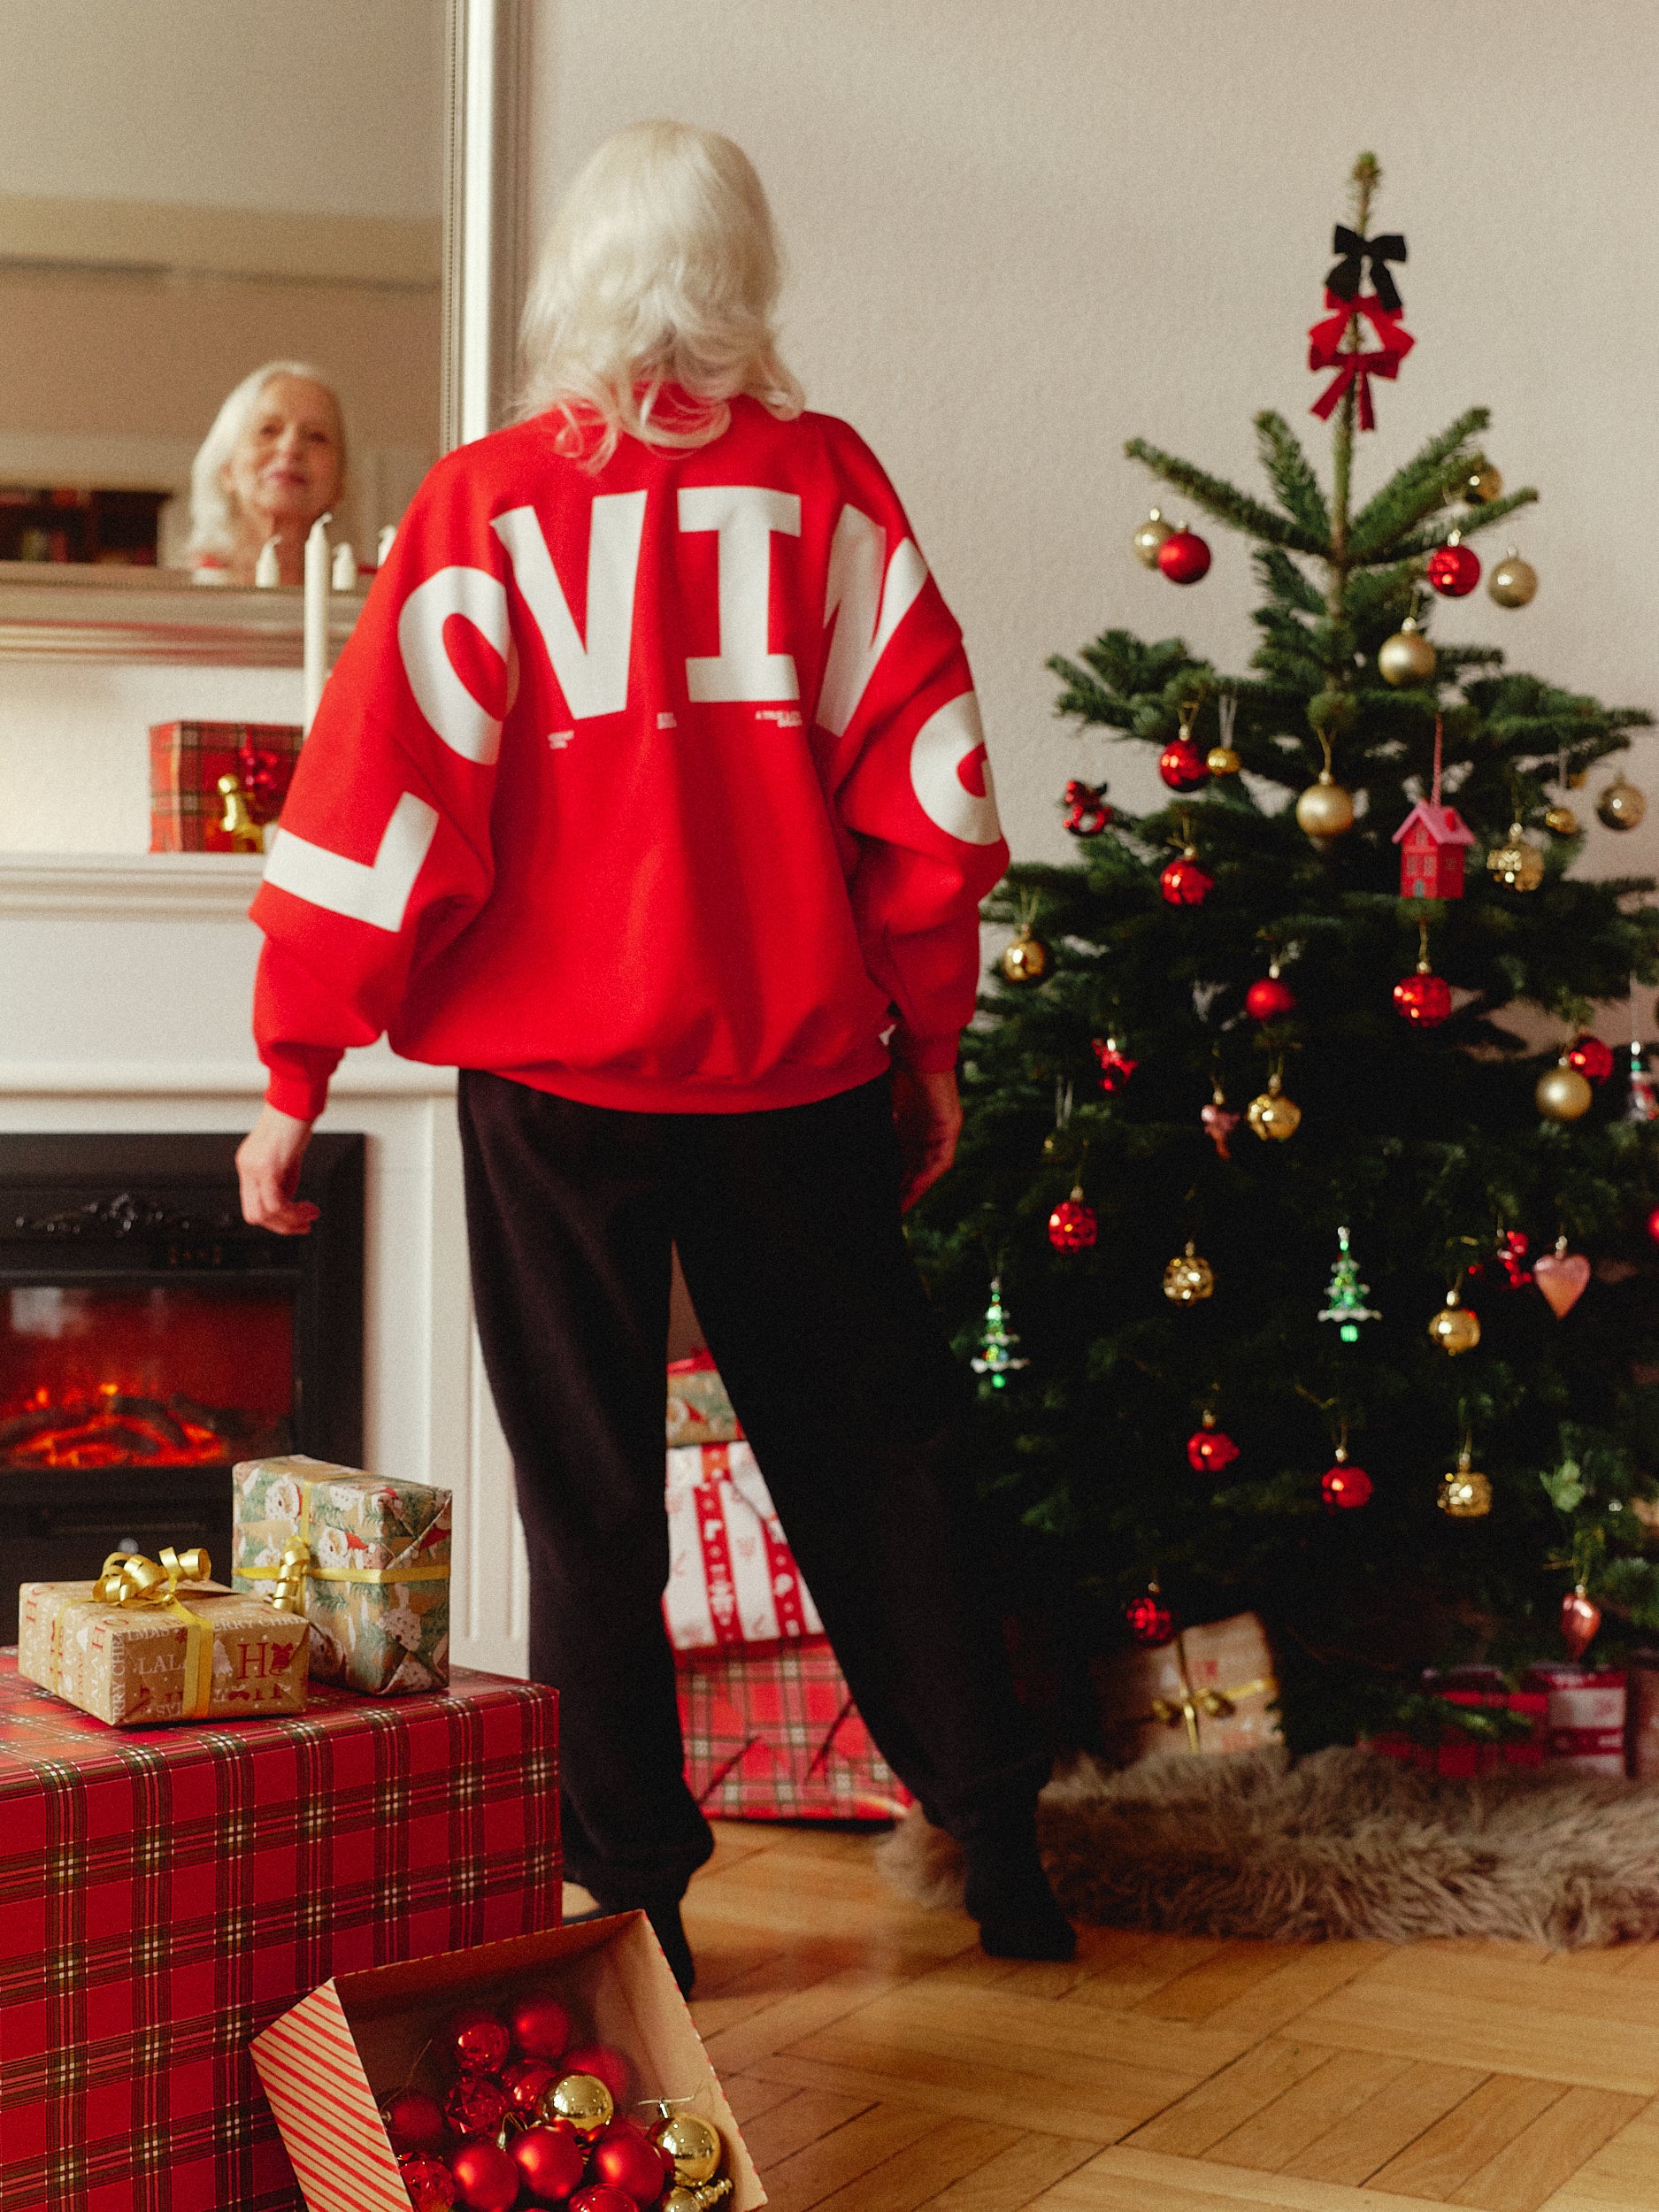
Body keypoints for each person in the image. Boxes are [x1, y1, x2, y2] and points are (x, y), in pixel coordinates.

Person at [235, 119, 1072, 1992]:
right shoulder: (826, 488)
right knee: (880, 1457)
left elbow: (378, 817)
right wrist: (927, 1042)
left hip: (554, 1091)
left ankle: (636, 1894)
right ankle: (1002, 1846)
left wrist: (294, 1067)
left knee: (588, 1493)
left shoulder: (479, 511)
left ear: (573, 281)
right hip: (795, 1073)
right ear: (740, 273)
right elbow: (931, 800)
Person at [184, 361, 346, 585]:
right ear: (227, 468)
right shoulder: (181, 591)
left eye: (317, 436)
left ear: (341, 482)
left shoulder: (379, 597)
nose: (290, 448)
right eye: (268, 430)